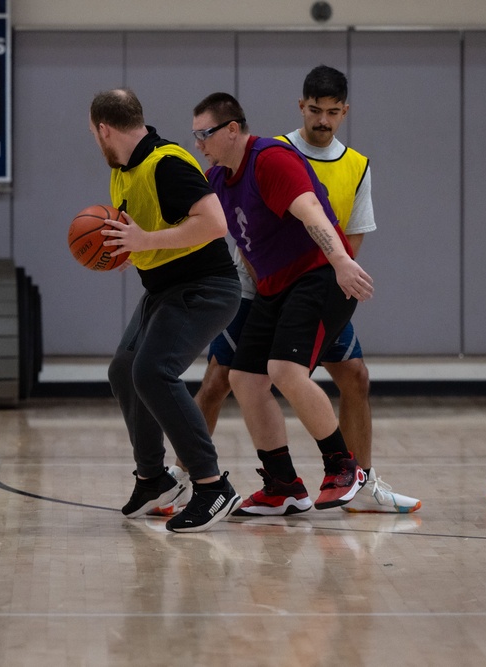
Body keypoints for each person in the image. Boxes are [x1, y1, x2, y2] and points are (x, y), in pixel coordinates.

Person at [191, 65, 420, 514]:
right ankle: (282, 485)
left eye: (204, 134)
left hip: (320, 276)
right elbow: (191, 226)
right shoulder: (219, 179)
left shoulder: (269, 158)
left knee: (287, 371)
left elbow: (312, 211)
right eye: (194, 135)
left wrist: (340, 262)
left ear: (232, 130)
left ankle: (343, 466)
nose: (198, 143)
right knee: (243, 377)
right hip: (276, 287)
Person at [87, 88, 242, 532]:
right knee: (125, 369)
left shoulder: (166, 162)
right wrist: (121, 249)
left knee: (153, 372)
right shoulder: (123, 169)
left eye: (93, 133)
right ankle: (153, 479)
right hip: (164, 288)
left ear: (103, 128)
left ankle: (213, 487)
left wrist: (145, 242)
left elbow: (215, 224)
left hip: (206, 288)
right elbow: (142, 230)